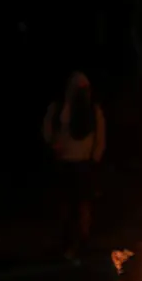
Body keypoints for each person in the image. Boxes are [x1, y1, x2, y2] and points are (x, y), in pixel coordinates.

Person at [42, 72, 106, 259]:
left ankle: (83, 241)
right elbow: (48, 130)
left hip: (83, 165)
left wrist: (94, 158)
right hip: (65, 163)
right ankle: (66, 240)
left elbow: (100, 137)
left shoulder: (93, 111)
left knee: (83, 205)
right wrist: (54, 145)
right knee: (66, 204)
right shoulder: (60, 109)